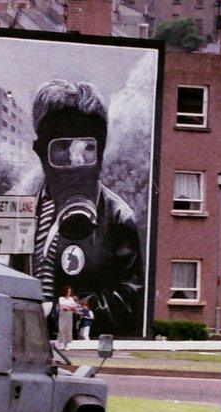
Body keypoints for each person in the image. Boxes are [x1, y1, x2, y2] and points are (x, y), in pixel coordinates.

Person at [29, 79, 144, 338]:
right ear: (39, 152)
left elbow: (128, 300)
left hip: (79, 347)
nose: (76, 161)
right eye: (61, 149)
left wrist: (68, 311)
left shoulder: (116, 217)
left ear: (101, 153)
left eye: (87, 149)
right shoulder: (23, 211)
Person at [56, 286, 79, 350]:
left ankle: (66, 345)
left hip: (69, 315)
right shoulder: (61, 298)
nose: (69, 293)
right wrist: (70, 307)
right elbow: (64, 307)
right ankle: (60, 343)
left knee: (68, 329)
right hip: (63, 315)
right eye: (68, 291)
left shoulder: (71, 298)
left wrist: (69, 307)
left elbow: (75, 308)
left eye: (70, 291)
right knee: (61, 328)